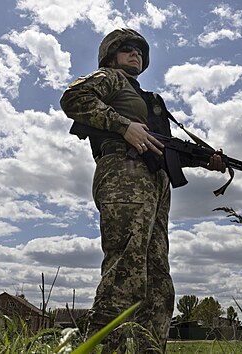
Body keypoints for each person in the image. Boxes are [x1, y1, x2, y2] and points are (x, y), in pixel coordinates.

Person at [60, 28, 225, 353]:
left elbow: (165, 149)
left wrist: (207, 160)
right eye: (127, 48)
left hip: (156, 184)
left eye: (139, 50)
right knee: (127, 267)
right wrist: (123, 126)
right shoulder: (109, 78)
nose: (135, 53)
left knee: (158, 279)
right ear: (111, 54)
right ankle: (104, 347)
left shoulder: (150, 101)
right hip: (123, 173)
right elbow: (73, 98)